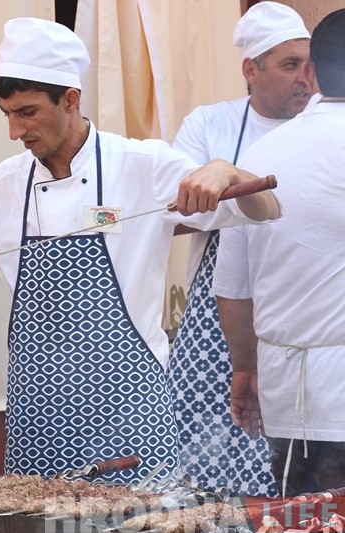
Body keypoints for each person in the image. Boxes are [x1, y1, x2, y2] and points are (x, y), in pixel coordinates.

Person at [0, 17, 280, 483]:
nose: (14, 130)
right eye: (6, 113)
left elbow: (265, 209)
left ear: (71, 99)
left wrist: (226, 171)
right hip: (36, 421)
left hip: (130, 412)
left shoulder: (141, 165)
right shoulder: (4, 183)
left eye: (27, 112)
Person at [167, 1, 311, 497]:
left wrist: (232, 183)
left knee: (290, 457)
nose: (305, 79)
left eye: (308, 64)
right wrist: (231, 195)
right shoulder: (210, 124)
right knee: (206, 452)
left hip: (299, 300)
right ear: (251, 69)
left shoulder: (323, 128)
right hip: (215, 313)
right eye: (290, 65)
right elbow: (171, 213)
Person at [214, 8, 345, 498]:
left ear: (310, 72)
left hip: (292, 397)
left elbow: (233, 287)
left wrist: (245, 368)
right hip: (308, 394)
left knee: (306, 523)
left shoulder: (261, 157)